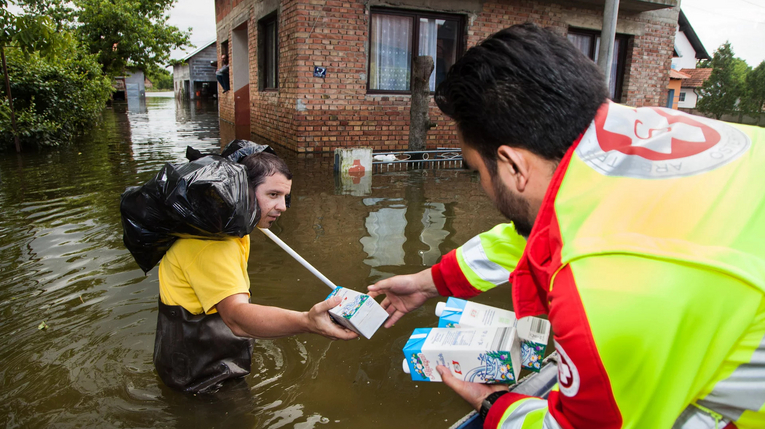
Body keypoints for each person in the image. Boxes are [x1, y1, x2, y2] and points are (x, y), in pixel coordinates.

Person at [368, 23, 765, 429]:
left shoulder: (605, 291)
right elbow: (541, 234)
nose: (482, 184)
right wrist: (428, 282)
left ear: (513, 166)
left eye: (476, 171)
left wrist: (494, 404)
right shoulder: (635, 134)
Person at [154, 151, 357, 394]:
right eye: (273, 195)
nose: (282, 207)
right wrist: (307, 322)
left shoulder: (235, 229)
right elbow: (237, 318)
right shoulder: (211, 244)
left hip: (210, 357)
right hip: (199, 377)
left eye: (285, 197)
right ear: (244, 192)